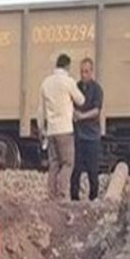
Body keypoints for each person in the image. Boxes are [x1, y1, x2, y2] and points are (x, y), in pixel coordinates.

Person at [37, 53, 85, 200]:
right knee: (68, 163)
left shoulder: (46, 83)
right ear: (67, 66)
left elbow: (41, 110)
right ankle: (62, 194)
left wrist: (41, 129)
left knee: (54, 164)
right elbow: (81, 100)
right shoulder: (68, 82)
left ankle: (51, 195)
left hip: (51, 130)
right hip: (65, 129)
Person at [71, 57, 104, 201]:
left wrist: (82, 116)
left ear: (91, 72)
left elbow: (97, 110)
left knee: (92, 170)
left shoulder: (97, 89)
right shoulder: (76, 87)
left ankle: (93, 197)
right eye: (82, 72)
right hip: (78, 135)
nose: (83, 75)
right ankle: (74, 197)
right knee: (75, 169)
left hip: (92, 136)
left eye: (86, 72)